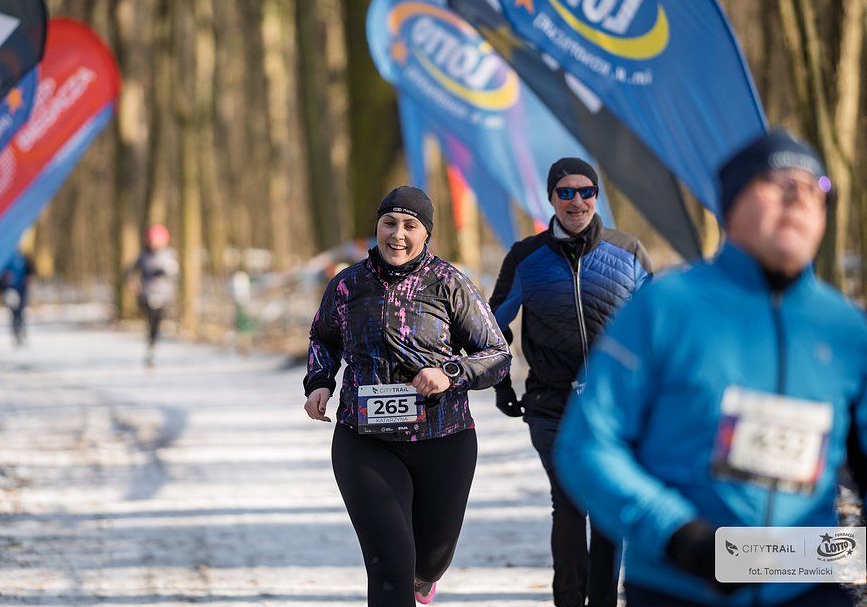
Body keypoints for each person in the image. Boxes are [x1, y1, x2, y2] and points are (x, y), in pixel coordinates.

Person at [553, 128, 867, 607]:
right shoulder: (665, 308)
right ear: (732, 204)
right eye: (777, 182)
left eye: (815, 188)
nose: (798, 197)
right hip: (679, 584)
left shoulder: (846, 329)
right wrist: (681, 536)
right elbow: (587, 445)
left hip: (808, 585)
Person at [303, 186, 511, 607]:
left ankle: (425, 577)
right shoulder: (347, 285)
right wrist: (320, 380)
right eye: (389, 223)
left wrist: (450, 373)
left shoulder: (451, 284)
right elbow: (322, 338)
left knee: (428, 561)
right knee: (390, 562)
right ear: (376, 228)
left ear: (426, 234)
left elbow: (497, 356)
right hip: (365, 441)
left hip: (443, 440)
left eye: (410, 226)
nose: (398, 235)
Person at [488, 157, 652, 607]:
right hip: (550, 403)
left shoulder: (630, 252)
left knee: (606, 509)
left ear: (597, 197)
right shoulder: (526, 257)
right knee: (570, 501)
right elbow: (490, 325)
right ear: (551, 198)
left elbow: (657, 330)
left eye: (585, 191)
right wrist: (503, 383)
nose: (576, 201)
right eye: (565, 192)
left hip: (616, 408)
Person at [126, 224, 179, 366]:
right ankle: (151, 345)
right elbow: (131, 270)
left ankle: (152, 344)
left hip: (164, 294)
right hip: (147, 293)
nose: (153, 243)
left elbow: (175, 273)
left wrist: (167, 272)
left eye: (157, 240)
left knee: (157, 322)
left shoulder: (169, 254)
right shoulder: (143, 255)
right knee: (152, 318)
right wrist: (132, 281)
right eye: (151, 240)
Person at [0, 250, 35, 345]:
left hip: (22, 288)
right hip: (11, 289)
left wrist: (29, 275)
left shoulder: (23, 256)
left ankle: (21, 330)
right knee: (14, 312)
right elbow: (0, 274)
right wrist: (3, 282)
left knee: (21, 310)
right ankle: (16, 331)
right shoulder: (6, 258)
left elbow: (30, 269)